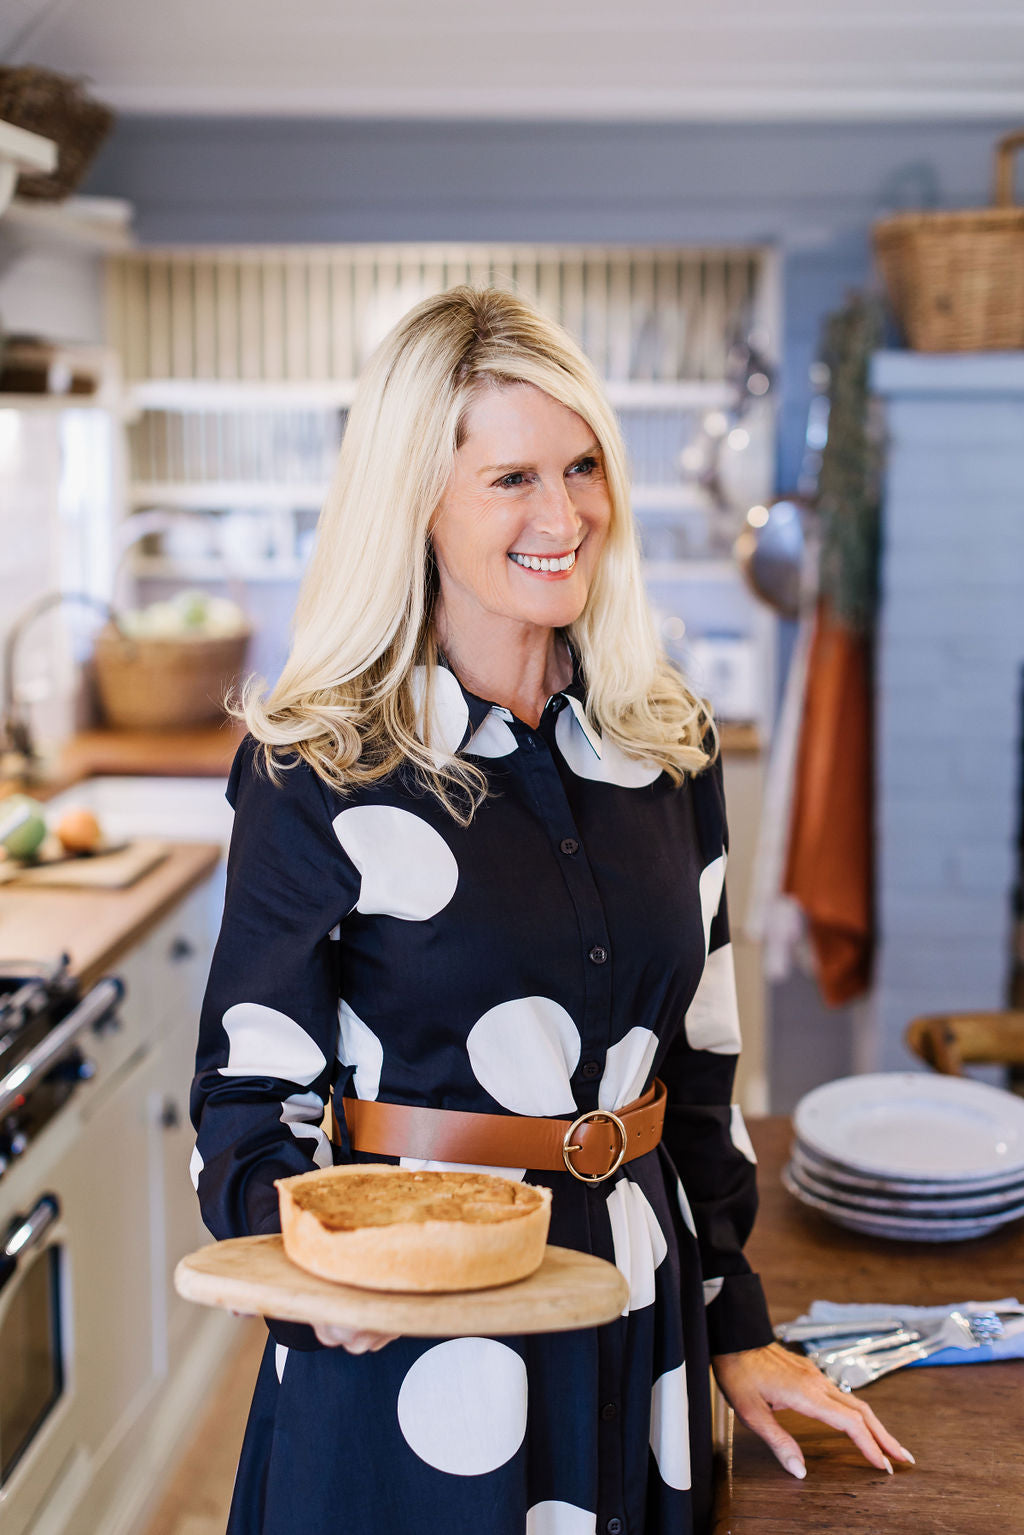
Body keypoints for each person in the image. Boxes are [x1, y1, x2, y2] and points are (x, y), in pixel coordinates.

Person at [190, 285, 912, 1535]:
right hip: (417, 1330)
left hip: (637, 1304)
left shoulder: (666, 744)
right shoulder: (319, 766)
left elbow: (700, 1069)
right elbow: (247, 1101)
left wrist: (736, 1325)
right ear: (416, 502)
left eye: (582, 467)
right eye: (511, 478)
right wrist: (318, 1282)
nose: (564, 515)